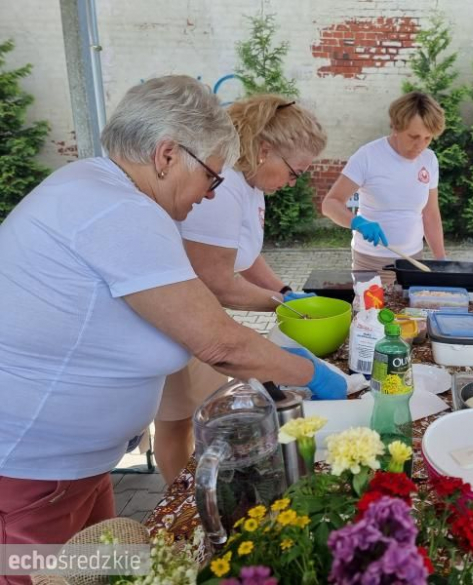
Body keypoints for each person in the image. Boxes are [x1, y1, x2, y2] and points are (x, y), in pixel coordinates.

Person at [0, 76, 345, 564]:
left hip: (73, 468)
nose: (210, 195)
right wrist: (322, 378)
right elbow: (222, 344)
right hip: (32, 472)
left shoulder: (100, 189)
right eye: (211, 177)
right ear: (166, 156)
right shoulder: (118, 210)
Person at [155, 95, 330, 484]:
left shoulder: (250, 186)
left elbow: (244, 258)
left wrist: (284, 289)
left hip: (196, 314)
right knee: (177, 422)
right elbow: (218, 282)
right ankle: (181, 504)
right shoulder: (224, 189)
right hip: (175, 316)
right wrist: (286, 306)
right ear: (264, 150)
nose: (292, 182)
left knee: (200, 410)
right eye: (294, 172)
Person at [321, 91, 447, 283]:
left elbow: (430, 213)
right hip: (371, 262)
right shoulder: (368, 156)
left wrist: (441, 261)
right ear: (396, 127)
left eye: (427, 138)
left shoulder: (429, 160)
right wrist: (357, 222)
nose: (420, 145)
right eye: (413, 136)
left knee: (409, 313)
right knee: (370, 313)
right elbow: (330, 203)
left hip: (413, 261)